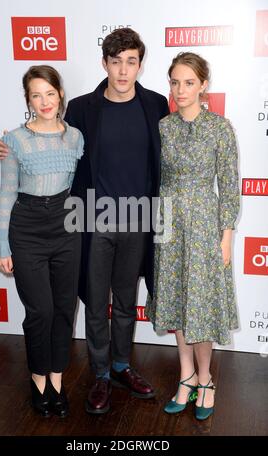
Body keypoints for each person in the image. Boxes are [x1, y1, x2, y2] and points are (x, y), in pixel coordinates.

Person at [0, 28, 169, 414]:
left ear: (140, 64)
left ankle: (123, 366)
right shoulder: (82, 109)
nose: (123, 71)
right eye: (115, 61)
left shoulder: (157, 105)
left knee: (126, 300)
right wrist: (8, 146)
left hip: (138, 218)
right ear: (104, 63)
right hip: (90, 219)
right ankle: (101, 375)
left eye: (131, 61)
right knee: (95, 303)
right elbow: (48, 141)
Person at [145, 52, 240, 420]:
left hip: (204, 226)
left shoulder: (220, 128)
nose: (179, 90)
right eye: (174, 82)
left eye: (188, 82)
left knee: (200, 307)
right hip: (167, 224)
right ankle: (185, 378)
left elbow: (229, 187)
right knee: (177, 305)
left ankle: (206, 380)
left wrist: (226, 235)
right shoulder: (163, 127)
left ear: (203, 85)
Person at [0, 65, 84, 418]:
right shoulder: (14, 140)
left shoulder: (75, 137)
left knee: (63, 308)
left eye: (50, 92)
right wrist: (3, 242)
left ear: (60, 93)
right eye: (36, 95)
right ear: (27, 99)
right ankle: (37, 378)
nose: (44, 101)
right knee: (40, 311)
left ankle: (57, 379)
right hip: (27, 226)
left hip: (66, 226)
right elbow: (6, 192)